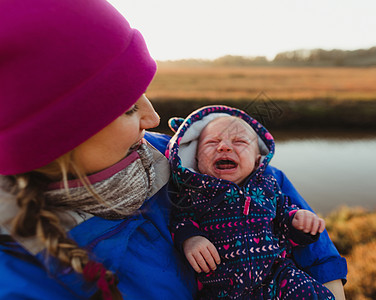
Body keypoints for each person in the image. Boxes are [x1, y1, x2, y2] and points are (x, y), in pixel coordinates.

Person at [0, 0, 346, 299]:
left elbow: (266, 184)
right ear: (55, 139)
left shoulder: (172, 155)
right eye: (127, 109)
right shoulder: (20, 280)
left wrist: (329, 284)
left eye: (143, 94)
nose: (153, 117)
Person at [167, 106, 347, 299]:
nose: (224, 147)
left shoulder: (269, 186)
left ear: (257, 159)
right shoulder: (193, 191)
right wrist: (190, 239)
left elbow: (285, 224)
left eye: (239, 141)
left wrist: (299, 223)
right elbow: (180, 219)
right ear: (195, 158)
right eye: (212, 142)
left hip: (279, 277)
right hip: (222, 287)